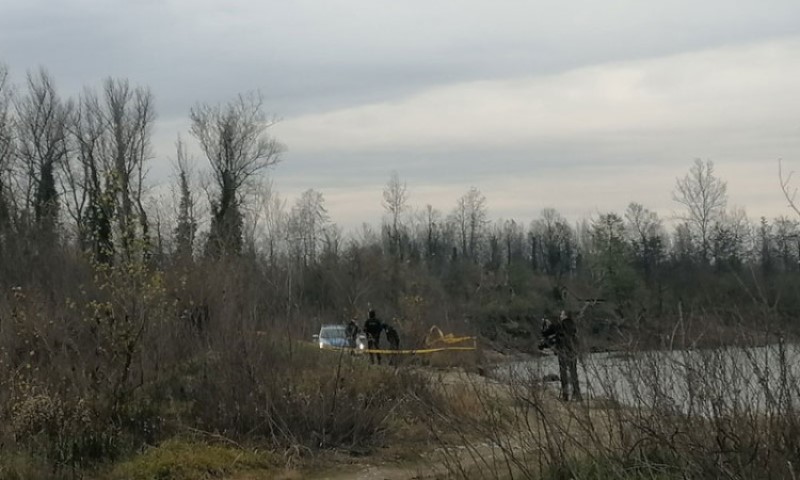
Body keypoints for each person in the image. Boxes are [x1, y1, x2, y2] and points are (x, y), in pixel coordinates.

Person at [540, 310, 581, 401]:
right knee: (573, 373)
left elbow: (546, 333)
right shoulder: (573, 325)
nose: (560, 315)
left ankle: (565, 395)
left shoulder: (560, 325)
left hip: (563, 351)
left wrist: (547, 324)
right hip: (573, 351)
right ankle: (577, 394)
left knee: (563, 374)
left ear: (565, 315)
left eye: (562, 314)